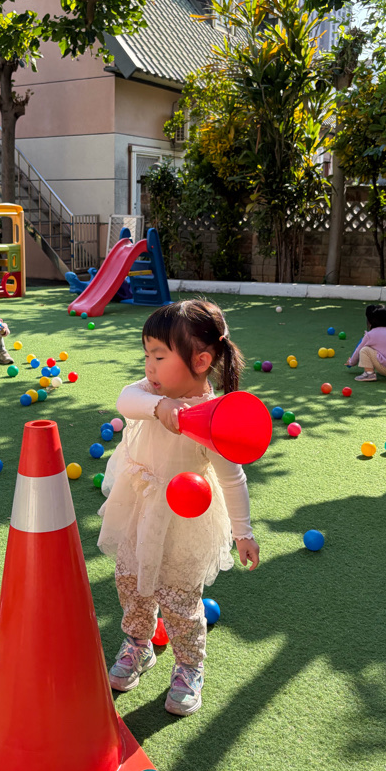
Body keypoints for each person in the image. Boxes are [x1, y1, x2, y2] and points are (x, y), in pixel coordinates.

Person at [98, 300, 260, 717]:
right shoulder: (152, 393)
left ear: (200, 361)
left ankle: (189, 666)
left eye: (159, 356)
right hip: (140, 508)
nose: (149, 366)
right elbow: (124, 399)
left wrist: (243, 532)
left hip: (184, 521)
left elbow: (233, 478)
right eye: (147, 355)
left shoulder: (213, 418)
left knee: (179, 599)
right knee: (130, 580)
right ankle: (138, 643)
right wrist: (160, 407)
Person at [346, 303, 386, 382]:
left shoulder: (370, 335)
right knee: (373, 349)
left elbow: (358, 349)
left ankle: (369, 373)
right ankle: (382, 371)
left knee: (365, 350)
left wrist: (351, 362)